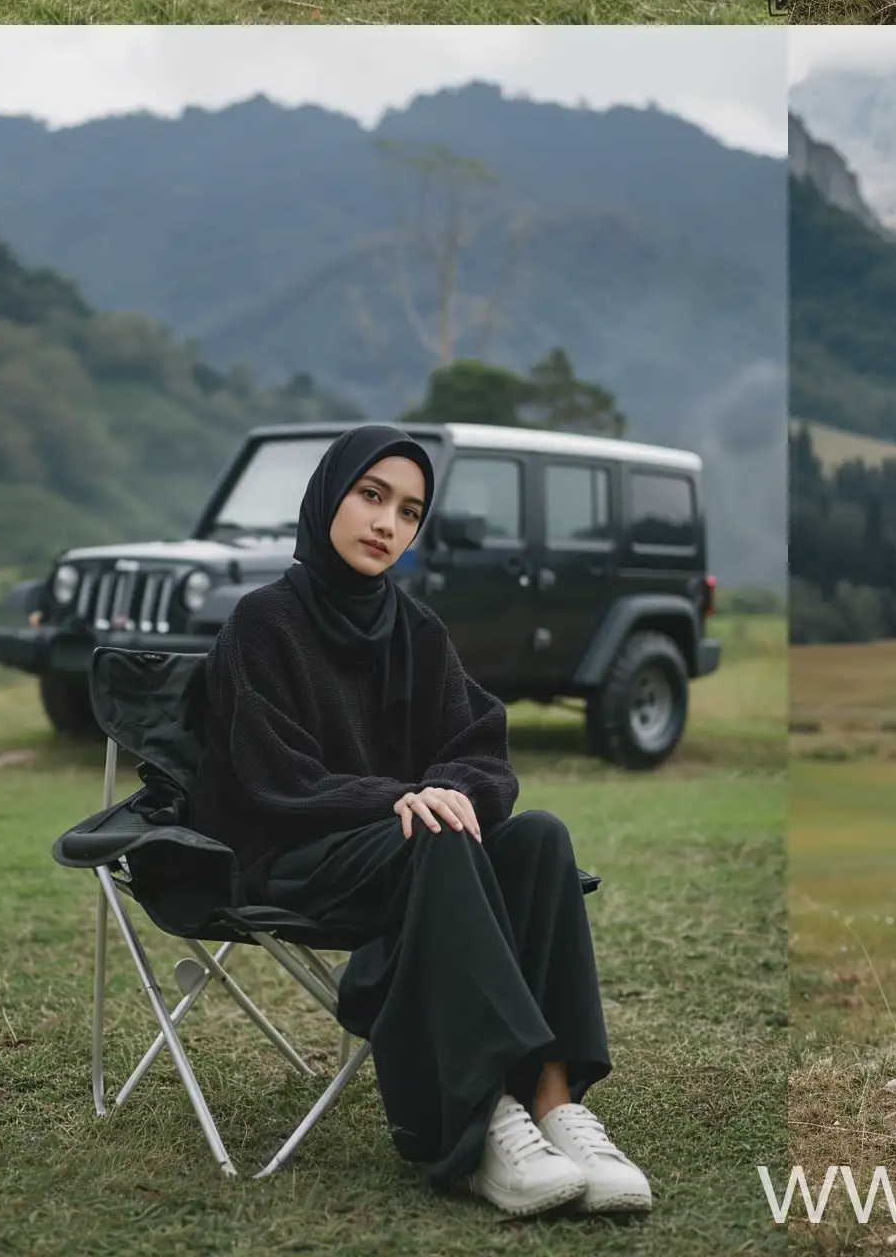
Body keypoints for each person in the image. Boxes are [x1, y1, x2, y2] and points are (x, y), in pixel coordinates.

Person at [189, 425, 649, 1217]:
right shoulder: (261, 624)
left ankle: (551, 1101)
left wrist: (439, 790)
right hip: (297, 857)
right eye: (371, 497)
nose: (386, 525)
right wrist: (397, 799)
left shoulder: (417, 631)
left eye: (408, 512)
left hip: (412, 857)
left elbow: (479, 748)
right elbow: (274, 778)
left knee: (538, 837)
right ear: (329, 495)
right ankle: (478, 1123)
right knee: (436, 829)